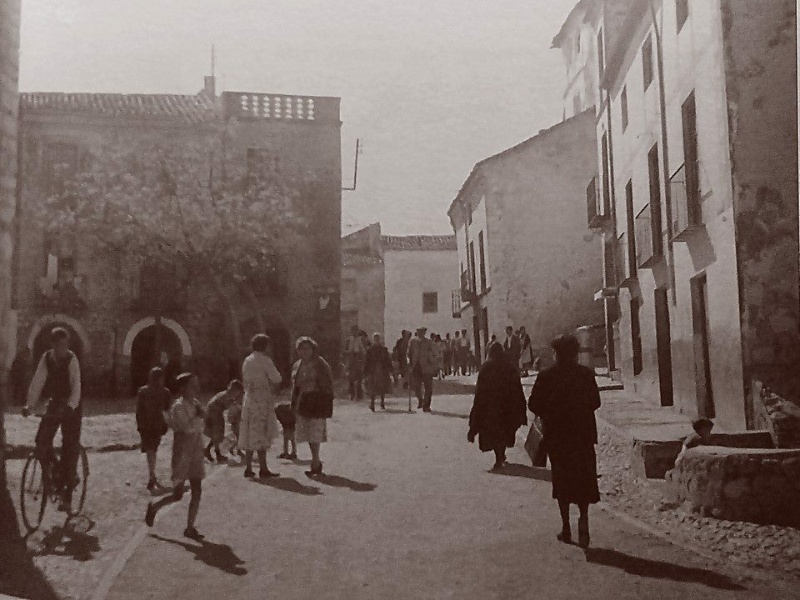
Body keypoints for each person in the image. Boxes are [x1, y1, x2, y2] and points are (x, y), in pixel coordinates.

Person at [528, 334, 601, 548]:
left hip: (558, 436)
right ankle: (584, 520)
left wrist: (551, 410)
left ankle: (566, 526)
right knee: (584, 478)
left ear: (556, 354)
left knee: (562, 480)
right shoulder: (586, 375)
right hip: (582, 436)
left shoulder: (546, 376)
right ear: (575, 353)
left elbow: (533, 404)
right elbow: (595, 402)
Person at [22, 327, 82, 512]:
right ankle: (57, 472)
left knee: (70, 446)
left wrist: (70, 407)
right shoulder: (47, 358)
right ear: (52, 345)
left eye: (64, 345)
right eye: (58, 345)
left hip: (72, 406)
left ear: (67, 345)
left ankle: (68, 496)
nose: (61, 348)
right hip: (55, 403)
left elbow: (76, 386)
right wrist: (29, 406)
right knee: (41, 442)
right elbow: (38, 381)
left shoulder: (72, 360)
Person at [145, 373, 206, 539]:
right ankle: (155, 507)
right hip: (183, 451)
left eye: (196, 385)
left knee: (197, 489)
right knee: (178, 493)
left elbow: (201, 426)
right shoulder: (178, 407)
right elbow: (186, 427)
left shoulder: (195, 404)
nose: (196, 388)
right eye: (192, 385)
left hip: (196, 449)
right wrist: (198, 416)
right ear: (182, 388)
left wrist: (201, 417)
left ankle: (190, 527)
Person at [468, 343, 527, 470]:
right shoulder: (510, 367)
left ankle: (499, 457)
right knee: (504, 431)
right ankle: (501, 455)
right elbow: (518, 389)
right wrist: (521, 411)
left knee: (494, 433)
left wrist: (474, 423)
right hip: (507, 407)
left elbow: (479, 393)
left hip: (491, 408)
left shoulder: (486, 368)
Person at [240, 334, 283, 479]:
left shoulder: (247, 360)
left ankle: (248, 467)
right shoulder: (265, 360)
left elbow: (245, 380)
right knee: (261, 432)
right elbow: (277, 378)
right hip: (262, 398)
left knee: (249, 431)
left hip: (249, 398)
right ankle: (263, 468)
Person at [292, 336, 335, 477]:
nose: (304, 352)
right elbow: (296, 386)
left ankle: (315, 462)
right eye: (301, 349)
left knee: (315, 431)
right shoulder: (297, 365)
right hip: (304, 400)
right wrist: (293, 403)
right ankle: (315, 460)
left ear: (312, 349)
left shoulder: (320, 363)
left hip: (317, 399)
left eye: (307, 349)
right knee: (307, 432)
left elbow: (328, 384)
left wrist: (327, 402)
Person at [136, 366, 172, 492]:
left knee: (150, 451)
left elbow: (139, 411)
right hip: (156, 425)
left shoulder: (143, 391)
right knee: (153, 450)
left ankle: (151, 474)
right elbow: (167, 411)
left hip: (146, 425)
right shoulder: (165, 392)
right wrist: (166, 424)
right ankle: (152, 475)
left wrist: (139, 425)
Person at [204, 379, 244, 463]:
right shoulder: (227, 395)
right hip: (214, 413)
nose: (238, 394)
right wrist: (236, 404)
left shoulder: (228, 395)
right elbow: (227, 405)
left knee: (217, 434)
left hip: (217, 413)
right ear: (234, 390)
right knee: (216, 433)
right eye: (238, 391)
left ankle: (208, 450)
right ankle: (216, 453)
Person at [408, 327, 438, 412]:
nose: (421, 333)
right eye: (419, 331)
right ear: (417, 332)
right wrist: (409, 364)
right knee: (417, 387)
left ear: (425, 333)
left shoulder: (429, 342)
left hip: (427, 367)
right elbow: (408, 353)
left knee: (428, 388)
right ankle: (420, 400)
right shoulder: (412, 342)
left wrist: (432, 361)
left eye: (422, 332)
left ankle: (426, 405)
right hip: (416, 367)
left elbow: (435, 353)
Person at [364, 333, 393, 411]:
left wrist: (365, 371)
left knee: (374, 386)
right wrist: (391, 369)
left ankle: (374, 403)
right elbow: (388, 361)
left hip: (375, 370)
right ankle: (380, 403)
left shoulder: (371, 349)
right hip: (379, 370)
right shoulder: (382, 349)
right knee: (380, 386)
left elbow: (367, 361)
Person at [344, 325, 366, 400]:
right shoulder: (348, 340)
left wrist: (363, 357)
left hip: (359, 357)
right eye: (353, 330)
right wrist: (348, 353)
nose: (354, 332)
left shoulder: (361, 339)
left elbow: (364, 350)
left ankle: (359, 394)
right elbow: (345, 350)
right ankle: (352, 393)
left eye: (356, 330)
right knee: (351, 377)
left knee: (359, 377)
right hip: (351, 357)